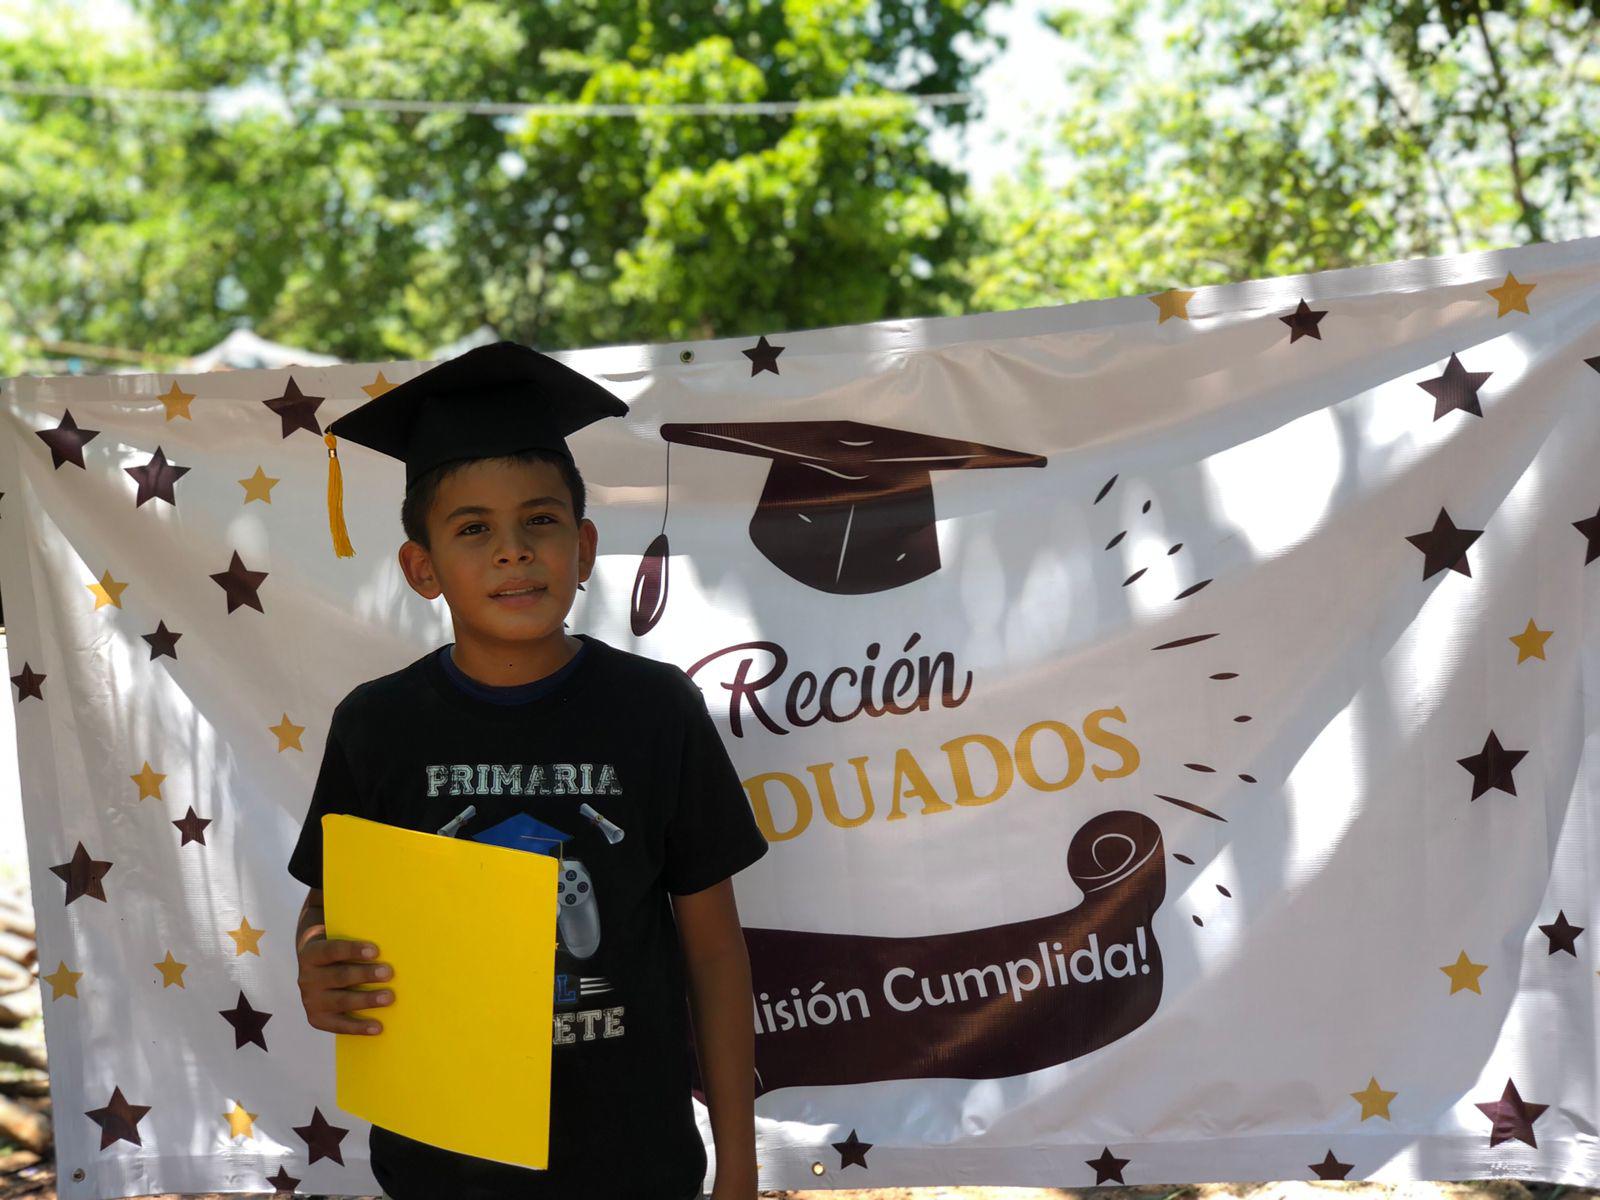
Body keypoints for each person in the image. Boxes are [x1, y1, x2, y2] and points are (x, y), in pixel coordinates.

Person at [286, 340, 769, 1200]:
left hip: (634, 1162)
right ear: (421, 568)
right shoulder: (377, 725)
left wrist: (738, 1165)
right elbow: (331, 909)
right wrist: (318, 961)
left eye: (540, 520)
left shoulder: (655, 710)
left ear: (583, 547)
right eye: (473, 529)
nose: (513, 550)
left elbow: (716, 953)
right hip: (443, 1161)